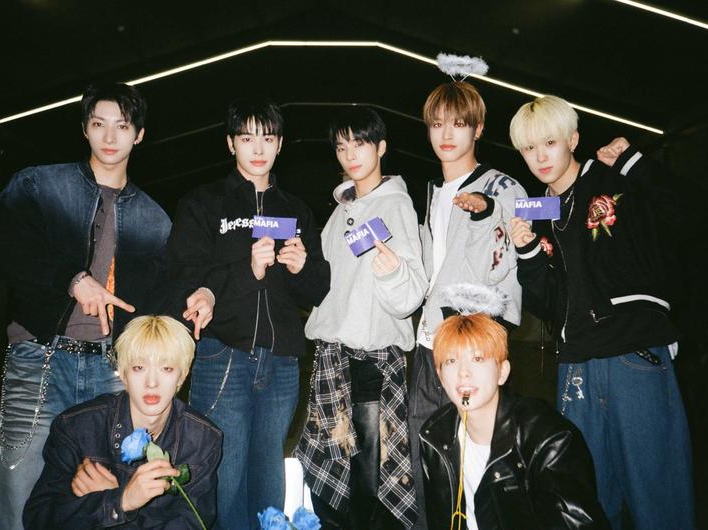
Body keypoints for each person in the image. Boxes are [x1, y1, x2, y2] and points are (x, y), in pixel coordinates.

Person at [0, 82, 172, 530]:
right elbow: (6, 242)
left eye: (121, 127)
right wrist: (73, 280)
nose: (109, 137)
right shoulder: (39, 185)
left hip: (111, 371)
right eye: (98, 124)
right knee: (17, 490)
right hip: (40, 359)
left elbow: (161, 300)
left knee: (102, 495)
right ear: (85, 129)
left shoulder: (155, 219)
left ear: (138, 135)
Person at [508, 95, 694, 529]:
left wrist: (635, 164)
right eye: (529, 148)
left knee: (658, 493)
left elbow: (691, 214)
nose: (540, 157)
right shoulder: (541, 213)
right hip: (576, 364)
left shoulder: (615, 182)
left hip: (634, 351)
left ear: (572, 140)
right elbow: (548, 305)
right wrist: (529, 255)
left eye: (550, 143)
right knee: (585, 498)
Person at [162, 97, 330, 529]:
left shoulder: (296, 209)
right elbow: (183, 276)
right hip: (222, 356)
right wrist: (247, 270)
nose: (258, 148)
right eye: (247, 137)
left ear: (281, 144)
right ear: (230, 143)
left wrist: (302, 268)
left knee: (269, 476)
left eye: (268, 138)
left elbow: (318, 288)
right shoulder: (203, 204)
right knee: (223, 477)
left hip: (282, 362)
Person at [296, 107, 426, 529]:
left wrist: (392, 272)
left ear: (381, 148)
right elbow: (324, 286)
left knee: (370, 476)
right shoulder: (340, 212)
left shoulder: (396, 206)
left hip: (371, 363)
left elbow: (410, 294)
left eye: (360, 144)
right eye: (341, 147)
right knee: (333, 472)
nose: (350, 154)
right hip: (333, 359)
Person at [408, 80, 526, 528]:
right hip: (428, 343)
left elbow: (510, 264)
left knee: (476, 458)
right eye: (437, 124)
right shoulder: (433, 194)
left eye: (458, 123)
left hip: (473, 345)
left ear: (478, 129)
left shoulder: (503, 187)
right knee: (425, 452)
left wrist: (485, 214)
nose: (446, 133)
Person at [23, 315, 222, 529]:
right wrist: (122, 501)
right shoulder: (78, 427)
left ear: (182, 376)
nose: (152, 383)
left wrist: (117, 502)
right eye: (139, 368)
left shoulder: (202, 440)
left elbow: (192, 524)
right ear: (123, 374)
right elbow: (38, 519)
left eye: (166, 369)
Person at [419, 307, 609, 529]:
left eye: (477, 358)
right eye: (451, 360)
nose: (463, 372)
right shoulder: (434, 435)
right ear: (440, 376)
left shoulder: (548, 439)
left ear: (502, 372)